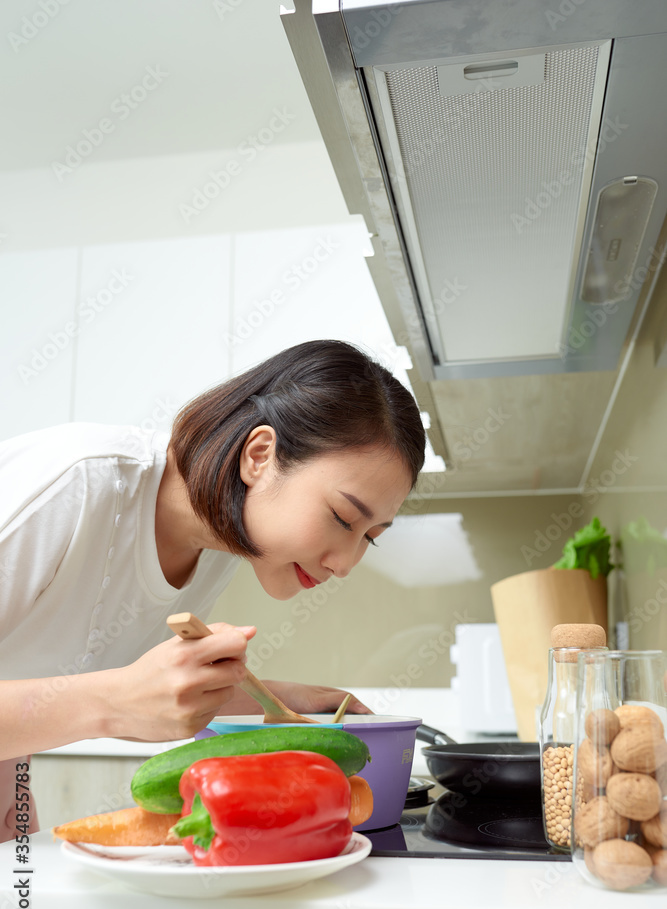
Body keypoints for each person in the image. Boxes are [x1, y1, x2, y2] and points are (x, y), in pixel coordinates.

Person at [0, 339, 425, 840]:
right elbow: (116, 693)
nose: (347, 563)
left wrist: (276, 700)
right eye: (342, 518)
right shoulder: (77, 484)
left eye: (369, 539)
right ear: (260, 455)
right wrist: (113, 702)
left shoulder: (220, 547)